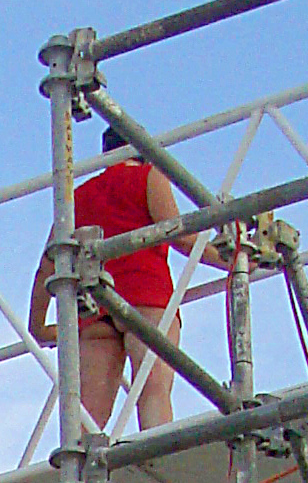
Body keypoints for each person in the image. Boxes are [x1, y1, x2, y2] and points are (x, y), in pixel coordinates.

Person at [28, 124, 220, 428]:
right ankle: (156, 457)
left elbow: (49, 267)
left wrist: (37, 326)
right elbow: (180, 236)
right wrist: (234, 260)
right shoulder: (150, 177)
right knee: (153, 389)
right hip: (146, 298)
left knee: (88, 416)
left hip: (94, 310)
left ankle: (81, 471)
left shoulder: (76, 198)